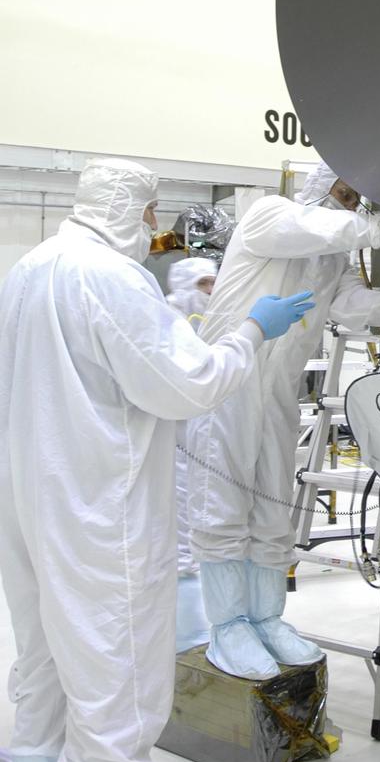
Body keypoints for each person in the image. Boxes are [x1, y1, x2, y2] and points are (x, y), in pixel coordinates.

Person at [0, 157, 314, 762]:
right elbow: (187, 384)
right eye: (148, 214)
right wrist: (250, 336)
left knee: (43, 672)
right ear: (126, 208)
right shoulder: (109, 278)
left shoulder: (28, 267)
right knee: (118, 684)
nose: (152, 230)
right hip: (100, 516)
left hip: (31, 509)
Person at [186, 162, 380, 679]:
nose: (346, 201)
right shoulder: (270, 216)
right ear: (318, 187)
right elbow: (318, 227)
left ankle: (267, 619)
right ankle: (227, 627)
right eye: (341, 190)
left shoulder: (331, 255)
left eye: (353, 195)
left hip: (278, 394)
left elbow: (350, 304)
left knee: (273, 506)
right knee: (223, 505)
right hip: (228, 386)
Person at [165, 258, 220, 652]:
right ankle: (185, 634)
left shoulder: (204, 324)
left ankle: (196, 623)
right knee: (179, 528)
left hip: (199, 444)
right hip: (171, 444)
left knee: (197, 522)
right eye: (204, 284)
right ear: (183, 286)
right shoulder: (165, 321)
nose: (211, 292)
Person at [165, 257, 218, 328]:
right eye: (202, 283)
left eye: (213, 283)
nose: (210, 290)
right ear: (184, 286)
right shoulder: (170, 317)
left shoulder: (216, 311)